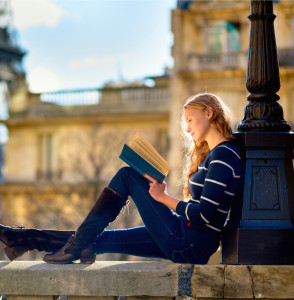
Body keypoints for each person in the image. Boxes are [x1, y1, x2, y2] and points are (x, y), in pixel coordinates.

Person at [0, 93, 242, 264]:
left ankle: (67, 247)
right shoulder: (218, 155)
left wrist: (162, 197)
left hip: (189, 243)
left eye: (189, 119)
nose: (187, 128)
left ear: (209, 113)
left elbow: (204, 214)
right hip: (185, 237)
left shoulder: (223, 155)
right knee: (96, 240)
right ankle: (23, 239)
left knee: (127, 175)